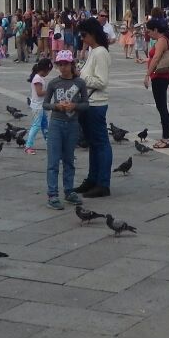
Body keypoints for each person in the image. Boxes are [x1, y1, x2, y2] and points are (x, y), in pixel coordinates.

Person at [42, 49, 88, 209]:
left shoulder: (80, 83)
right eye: (60, 64)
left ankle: (69, 191)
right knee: (53, 161)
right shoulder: (53, 83)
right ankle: (52, 194)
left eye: (66, 64)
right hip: (56, 123)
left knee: (69, 160)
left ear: (71, 64)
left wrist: (74, 106)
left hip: (72, 124)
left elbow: (86, 104)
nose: (63, 67)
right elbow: (45, 104)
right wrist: (56, 106)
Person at [74, 17, 113, 198]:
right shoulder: (94, 51)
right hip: (89, 103)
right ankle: (93, 178)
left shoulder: (100, 53)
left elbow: (101, 82)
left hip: (96, 104)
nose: (82, 38)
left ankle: (103, 183)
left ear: (92, 34)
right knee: (93, 144)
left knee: (101, 144)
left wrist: (80, 76)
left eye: (84, 35)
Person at [143, 13, 169, 148]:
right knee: (161, 107)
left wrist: (147, 75)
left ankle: (167, 138)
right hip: (160, 76)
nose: (148, 34)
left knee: (162, 107)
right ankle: (165, 136)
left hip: (160, 77)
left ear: (156, 30)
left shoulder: (161, 40)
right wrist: (145, 60)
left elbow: (156, 58)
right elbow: (156, 57)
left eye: (149, 31)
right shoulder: (162, 40)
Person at [24, 57, 51, 153]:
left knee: (44, 125)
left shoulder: (38, 77)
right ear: (45, 69)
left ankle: (49, 143)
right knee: (36, 125)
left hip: (41, 105)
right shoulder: (37, 79)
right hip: (37, 106)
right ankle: (28, 146)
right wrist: (49, 91)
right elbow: (39, 93)